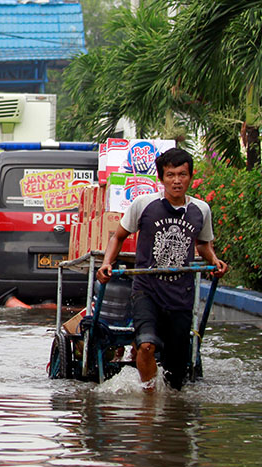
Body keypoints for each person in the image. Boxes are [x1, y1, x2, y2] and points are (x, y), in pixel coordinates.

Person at [97, 148, 228, 392]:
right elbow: (119, 236)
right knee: (146, 345)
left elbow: (203, 243)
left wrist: (215, 260)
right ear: (161, 178)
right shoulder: (144, 204)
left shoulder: (201, 210)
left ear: (190, 176)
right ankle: (149, 400)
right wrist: (107, 264)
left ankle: (169, 407)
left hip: (181, 294)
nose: (176, 181)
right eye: (170, 175)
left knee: (176, 372)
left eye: (182, 174)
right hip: (147, 290)